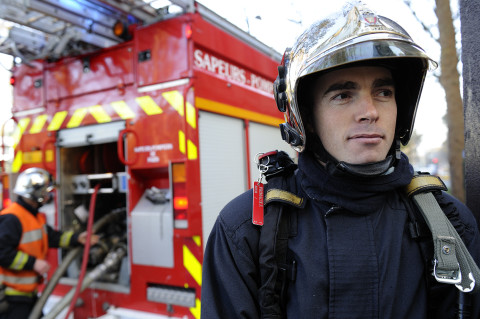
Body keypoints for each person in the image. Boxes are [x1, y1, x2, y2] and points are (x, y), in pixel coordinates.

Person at [201, 2, 480, 318]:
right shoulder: (245, 230)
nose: (370, 111)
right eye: (343, 95)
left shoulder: (449, 223)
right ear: (306, 116)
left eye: (384, 92)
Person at [0, 167, 99, 319]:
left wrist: (77, 238)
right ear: (36, 194)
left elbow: (51, 237)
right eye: (46, 192)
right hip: (13, 295)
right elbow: (2, 253)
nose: (48, 197)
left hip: (27, 293)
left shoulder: (33, 217)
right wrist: (33, 263)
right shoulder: (12, 218)